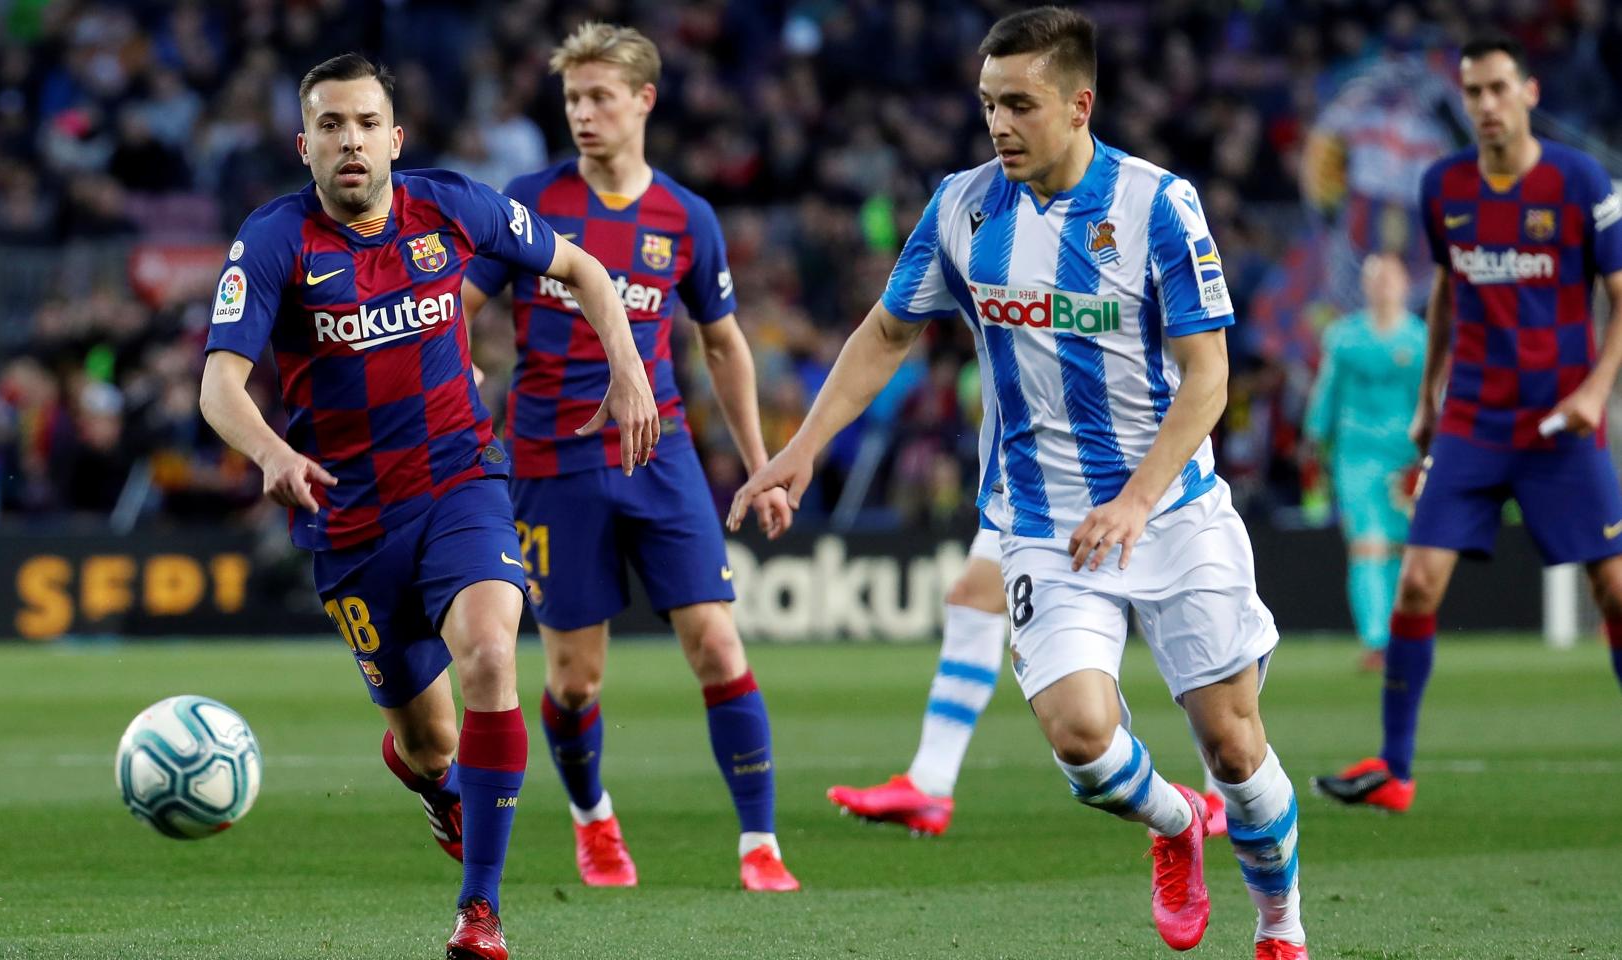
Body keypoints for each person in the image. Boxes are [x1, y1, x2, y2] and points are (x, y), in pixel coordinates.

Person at [731, 8, 1306, 957]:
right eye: (988, 104)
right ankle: (1174, 827)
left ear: (1080, 107)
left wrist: (1135, 499)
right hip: (1042, 520)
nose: (999, 124)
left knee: (1237, 749)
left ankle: (1281, 928)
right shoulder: (963, 207)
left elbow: (1209, 379)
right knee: (1083, 742)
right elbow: (887, 332)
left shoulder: (1158, 204)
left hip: (1174, 513)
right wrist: (802, 450)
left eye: (1020, 105)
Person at [197, 53, 659, 960]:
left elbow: (585, 270)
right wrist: (274, 452)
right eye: (330, 126)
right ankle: (433, 782)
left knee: (491, 653)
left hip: (461, 483)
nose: (351, 141)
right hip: (352, 524)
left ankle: (478, 913)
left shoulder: (451, 204)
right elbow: (219, 384)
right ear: (304, 146)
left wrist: (630, 370)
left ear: (395, 138)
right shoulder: (274, 240)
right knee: (432, 745)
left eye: (366, 123)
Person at [460, 23, 798, 893]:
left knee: (718, 646)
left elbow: (723, 345)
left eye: (600, 96)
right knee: (574, 681)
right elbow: (458, 301)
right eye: (573, 98)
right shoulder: (530, 201)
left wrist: (760, 462)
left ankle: (760, 845)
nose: (583, 114)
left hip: (661, 454)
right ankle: (593, 821)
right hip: (548, 462)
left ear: (644, 100)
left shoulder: (685, 217)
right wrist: (454, 373)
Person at [1315, 34, 1622, 814]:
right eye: (1471, 92)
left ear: (1529, 92)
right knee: (1416, 585)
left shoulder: (1580, 180)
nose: (1484, 104)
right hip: (1474, 421)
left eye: (1495, 89)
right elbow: (1448, 293)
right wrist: (1428, 401)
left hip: (1560, 421)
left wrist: (1595, 393)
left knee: (1614, 591)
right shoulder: (1443, 186)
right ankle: (1395, 769)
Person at [826, 531, 1232, 840]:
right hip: (1028, 471)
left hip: (1113, 466)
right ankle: (929, 784)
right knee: (972, 596)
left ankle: (1220, 794)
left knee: (1166, 611)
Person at [1301, 253, 1426, 670]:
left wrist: (1432, 451)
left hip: (1406, 458)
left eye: (1392, 277)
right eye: (1377, 278)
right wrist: (1315, 439)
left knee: (1401, 549)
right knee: (1367, 545)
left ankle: (1401, 635)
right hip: (1356, 454)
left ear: (1406, 284)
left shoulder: (1420, 339)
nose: (1384, 285)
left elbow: (1431, 400)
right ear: (1366, 286)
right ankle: (1377, 638)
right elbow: (1328, 390)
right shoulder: (1344, 338)